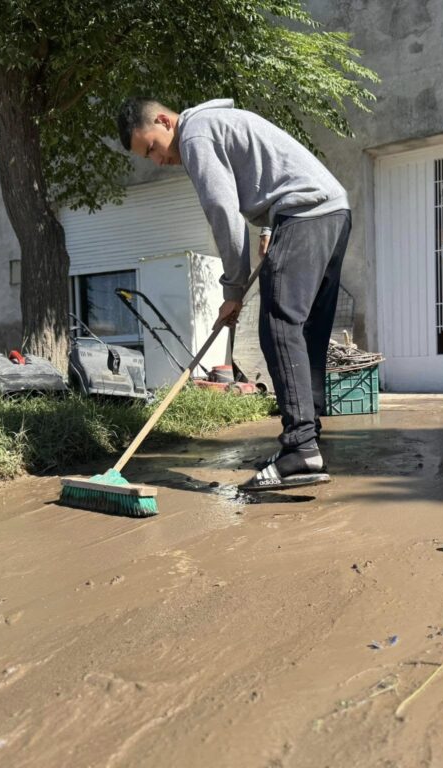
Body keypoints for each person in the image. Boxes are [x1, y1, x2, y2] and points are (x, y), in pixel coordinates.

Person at [117, 97, 351, 490]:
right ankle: (308, 440)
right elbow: (269, 172)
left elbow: (223, 213)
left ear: (163, 120)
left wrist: (234, 288)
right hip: (331, 211)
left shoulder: (195, 136)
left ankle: (302, 448)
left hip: (305, 214)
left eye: (152, 148)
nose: (157, 161)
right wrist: (268, 229)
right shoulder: (218, 121)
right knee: (305, 331)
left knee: (279, 326)